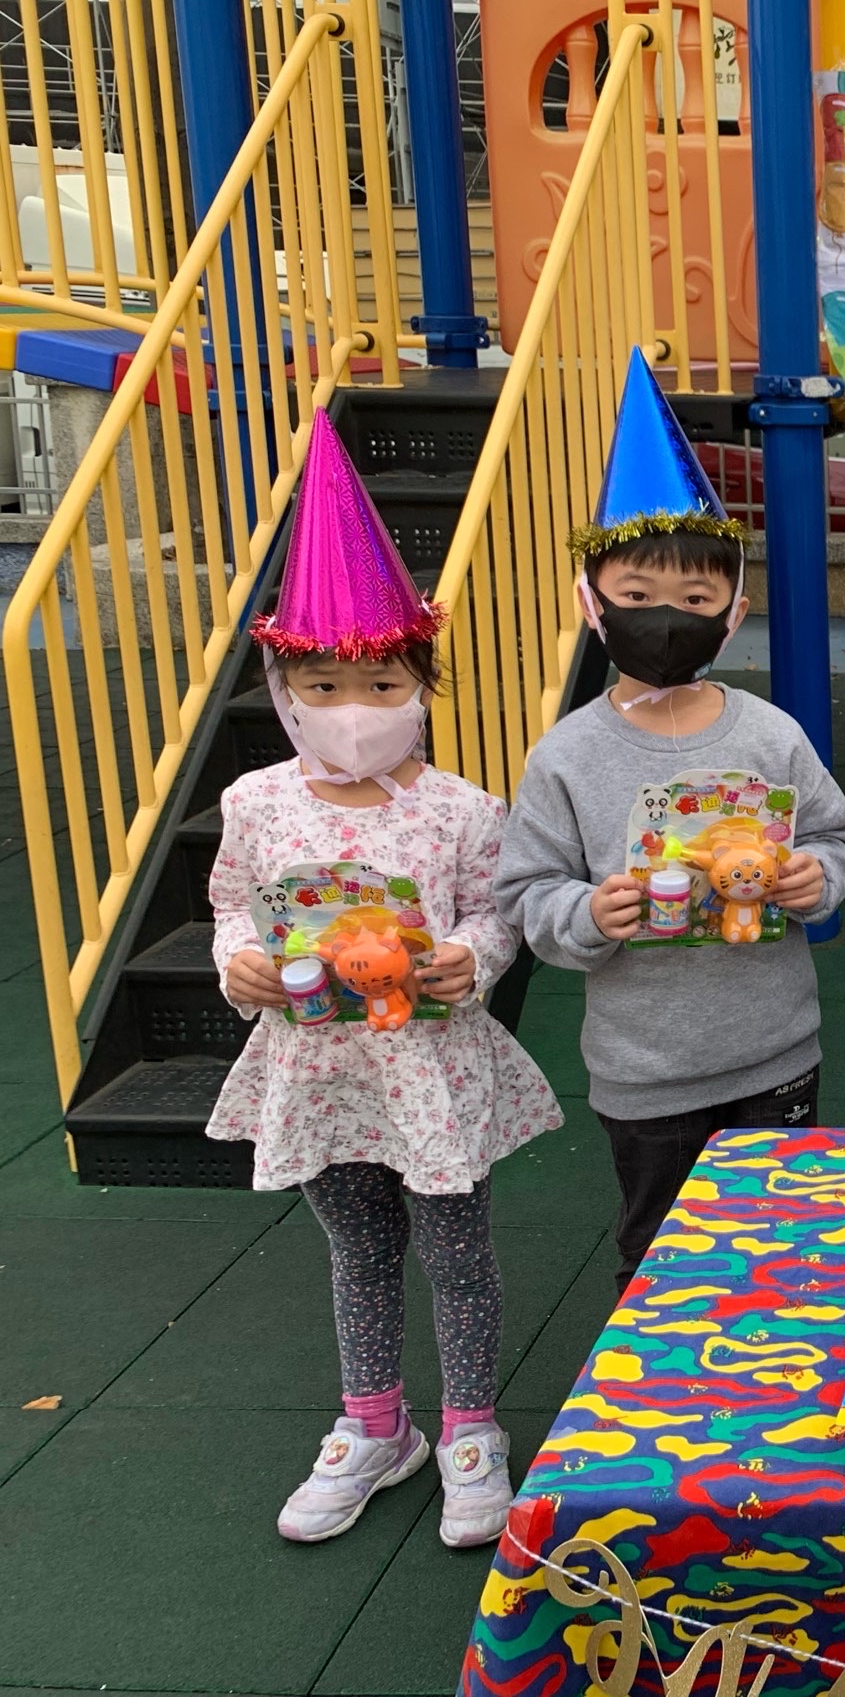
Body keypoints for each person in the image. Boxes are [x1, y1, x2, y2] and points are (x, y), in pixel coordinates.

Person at [207, 414, 563, 1548]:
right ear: (285, 686)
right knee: (356, 1247)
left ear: (419, 681)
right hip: (317, 1068)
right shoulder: (255, 802)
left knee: (456, 1252)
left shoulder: (461, 808)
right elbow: (231, 903)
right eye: (323, 682)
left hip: (429, 1067)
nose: (353, 705)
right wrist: (239, 963)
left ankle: (470, 1428)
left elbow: (493, 911)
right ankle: (374, 1425)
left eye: (380, 680)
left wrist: (475, 957)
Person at [494, 351, 845, 1289]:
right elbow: (526, 890)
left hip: (774, 1053)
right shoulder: (566, 755)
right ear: (593, 602)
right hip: (644, 1072)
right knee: (661, 1259)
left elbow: (834, 835)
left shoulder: (770, 734)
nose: (668, 617)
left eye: (696, 599)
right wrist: (586, 913)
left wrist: (816, 877)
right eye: (637, 596)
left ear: (733, 611)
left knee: (786, 1250)